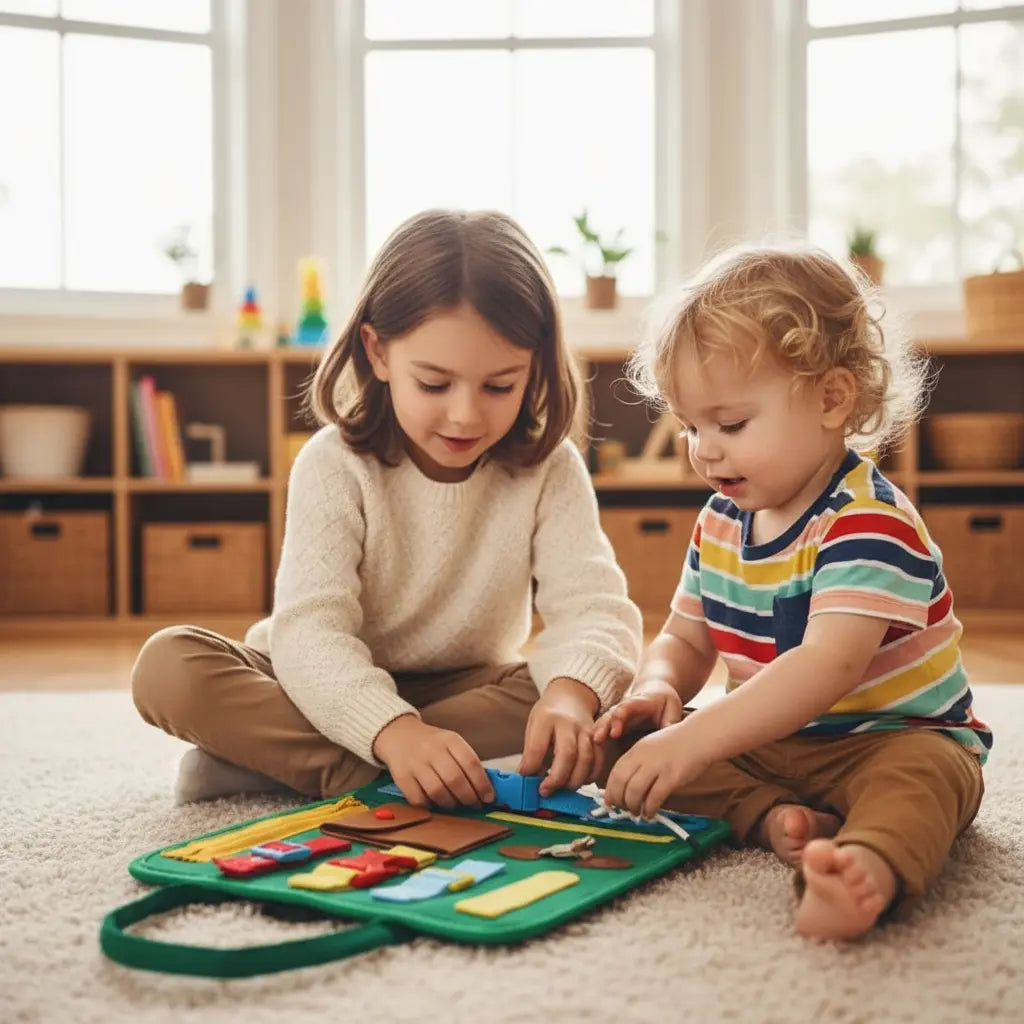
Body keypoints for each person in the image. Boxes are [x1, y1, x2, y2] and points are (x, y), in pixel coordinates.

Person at [132, 209, 642, 809]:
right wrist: (393, 733)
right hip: (313, 681)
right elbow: (311, 634)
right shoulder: (332, 464)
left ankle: (278, 767)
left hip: (464, 686)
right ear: (377, 352)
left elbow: (594, 608)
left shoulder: (549, 468)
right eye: (433, 384)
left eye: (500, 386)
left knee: (606, 709)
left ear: (533, 368)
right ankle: (398, 768)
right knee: (169, 668)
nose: (465, 415)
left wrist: (569, 693)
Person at [593, 245, 991, 940]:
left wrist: (693, 739)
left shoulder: (868, 519)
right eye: (691, 426)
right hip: (768, 743)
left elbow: (825, 668)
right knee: (632, 752)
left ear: (831, 399)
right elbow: (685, 637)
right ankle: (772, 815)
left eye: (731, 424)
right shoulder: (720, 519)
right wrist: (657, 692)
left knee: (923, 785)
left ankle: (865, 865)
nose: (704, 450)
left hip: (888, 738)